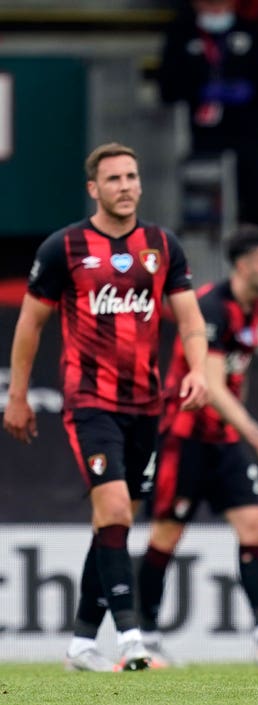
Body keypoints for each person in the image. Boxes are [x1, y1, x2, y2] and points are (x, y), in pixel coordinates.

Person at [3, 142, 209, 672]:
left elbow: (188, 320)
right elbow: (31, 323)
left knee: (113, 521)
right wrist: (19, 395)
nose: (126, 185)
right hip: (90, 403)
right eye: (113, 178)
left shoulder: (162, 245)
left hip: (147, 406)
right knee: (115, 510)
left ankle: (80, 644)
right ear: (93, 188)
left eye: (132, 176)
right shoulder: (63, 247)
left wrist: (200, 372)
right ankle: (133, 641)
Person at [137, 224, 258, 666]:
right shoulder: (213, 307)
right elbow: (210, 384)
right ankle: (145, 637)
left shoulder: (255, 309)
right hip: (185, 436)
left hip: (222, 439)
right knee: (167, 535)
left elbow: (236, 376)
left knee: (254, 525)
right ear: (243, 266)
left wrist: (239, 428)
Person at [157, 0, 258, 228]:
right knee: (203, 211)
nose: (215, 7)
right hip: (200, 138)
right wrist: (199, 91)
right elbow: (167, 87)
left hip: (247, 134)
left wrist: (248, 91)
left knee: (257, 203)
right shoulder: (181, 34)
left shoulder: (251, 32)